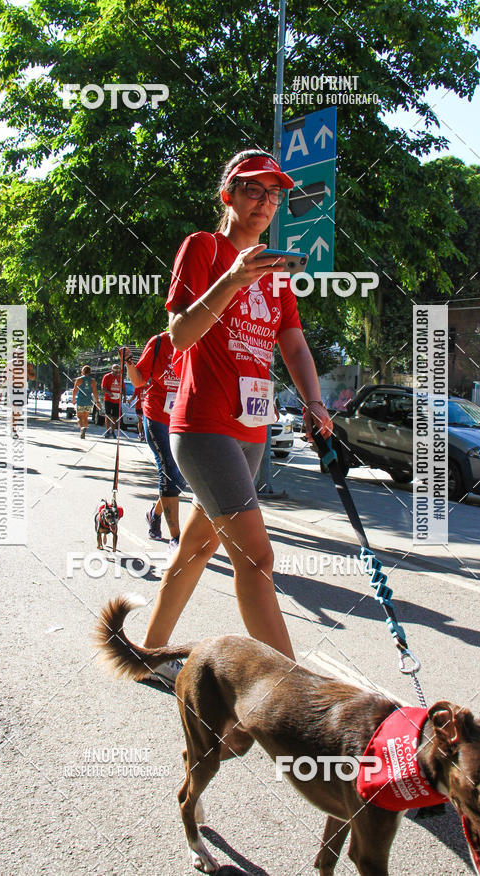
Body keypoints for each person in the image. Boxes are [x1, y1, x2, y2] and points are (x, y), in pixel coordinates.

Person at [139, 149, 333, 686]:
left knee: (198, 546)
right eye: (254, 190)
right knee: (257, 560)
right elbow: (179, 336)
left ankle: (148, 654)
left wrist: (315, 401)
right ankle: (297, 697)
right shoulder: (202, 248)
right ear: (229, 194)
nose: (266, 202)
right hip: (203, 427)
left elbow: (293, 344)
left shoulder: (276, 272)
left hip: (252, 429)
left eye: (275, 195)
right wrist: (232, 278)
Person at [121, 333, 186, 551]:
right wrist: (129, 362)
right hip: (157, 416)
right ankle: (176, 538)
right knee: (168, 470)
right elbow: (138, 380)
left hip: (183, 419)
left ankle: (154, 514)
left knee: (179, 478)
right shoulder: (159, 342)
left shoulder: (199, 341)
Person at [72, 365, 99, 439]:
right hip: (89, 401)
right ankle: (85, 429)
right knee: (85, 417)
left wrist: (73, 399)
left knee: (79, 416)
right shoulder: (92, 381)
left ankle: (82, 428)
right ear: (90, 372)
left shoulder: (79, 380)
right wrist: (97, 402)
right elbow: (95, 392)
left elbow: (75, 390)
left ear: (82, 371)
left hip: (80, 400)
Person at [101, 362, 125, 438]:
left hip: (117, 400)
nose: (116, 370)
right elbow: (103, 388)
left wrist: (124, 396)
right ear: (112, 369)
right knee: (108, 415)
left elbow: (123, 388)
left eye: (117, 369)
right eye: (115, 368)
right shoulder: (107, 376)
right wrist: (109, 393)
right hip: (108, 399)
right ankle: (107, 431)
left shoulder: (120, 378)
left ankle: (113, 432)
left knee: (115, 417)